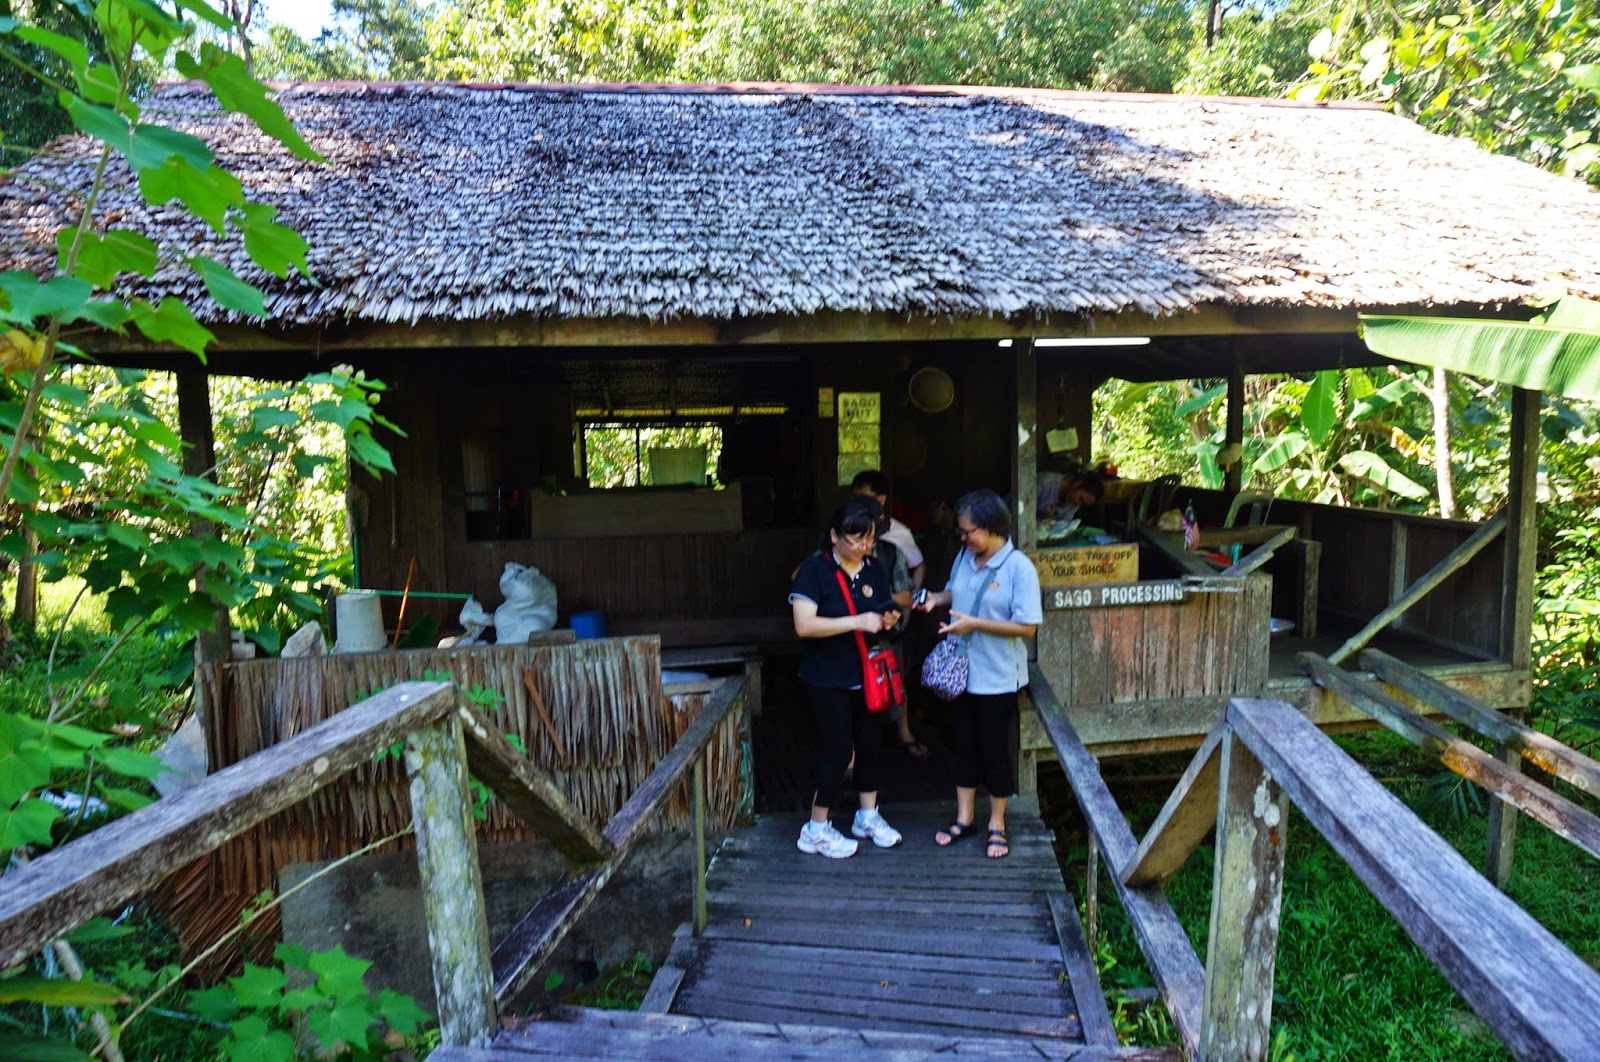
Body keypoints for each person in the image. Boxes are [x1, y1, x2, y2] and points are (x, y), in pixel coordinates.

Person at [915, 489, 1043, 859]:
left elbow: (1027, 627)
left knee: (993, 750)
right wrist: (935, 599)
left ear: (992, 527)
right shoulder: (965, 557)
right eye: (961, 531)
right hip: (962, 673)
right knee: (963, 746)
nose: (964, 537)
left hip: (998, 676)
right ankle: (965, 818)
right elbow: (953, 593)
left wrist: (975, 624)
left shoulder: (1019, 568)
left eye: (969, 531)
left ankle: (997, 824)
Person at [788, 498, 906, 858]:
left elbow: (883, 608)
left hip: (867, 674)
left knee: (870, 744)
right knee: (838, 751)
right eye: (855, 540)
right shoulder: (814, 570)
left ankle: (867, 817)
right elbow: (804, 625)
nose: (863, 547)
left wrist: (889, 618)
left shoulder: (873, 568)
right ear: (834, 536)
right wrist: (856, 622)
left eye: (869, 539)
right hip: (826, 677)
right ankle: (816, 828)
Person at [851, 469, 925, 590]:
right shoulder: (845, 529)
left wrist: (912, 597)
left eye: (863, 498)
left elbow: (918, 565)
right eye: (855, 498)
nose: (857, 503)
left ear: (881, 500)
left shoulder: (900, 532)